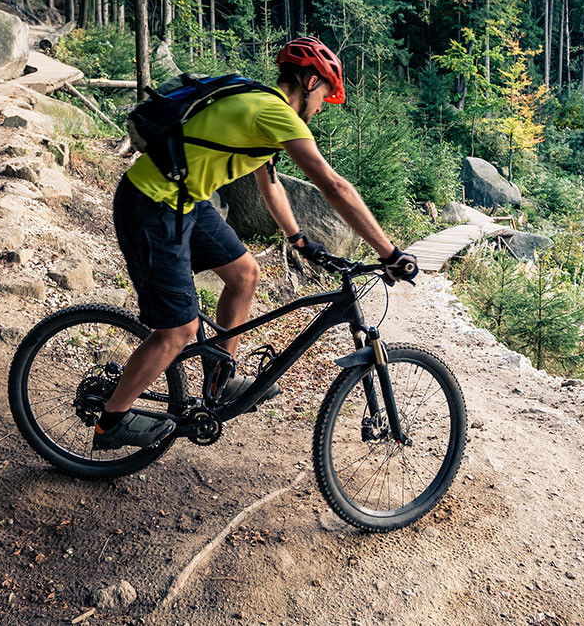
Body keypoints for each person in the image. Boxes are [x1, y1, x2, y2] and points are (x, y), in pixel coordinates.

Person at [96, 36, 419, 449]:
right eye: (324, 94)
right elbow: (334, 185)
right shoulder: (273, 111)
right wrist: (390, 253)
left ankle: (220, 375)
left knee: (245, 273)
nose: (322, 106)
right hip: (152, 204)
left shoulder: (263, 108)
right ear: (307, 81)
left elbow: (269, 182)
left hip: (184, 200)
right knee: (178, 329)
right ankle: (113, 420)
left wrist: (298, 238)